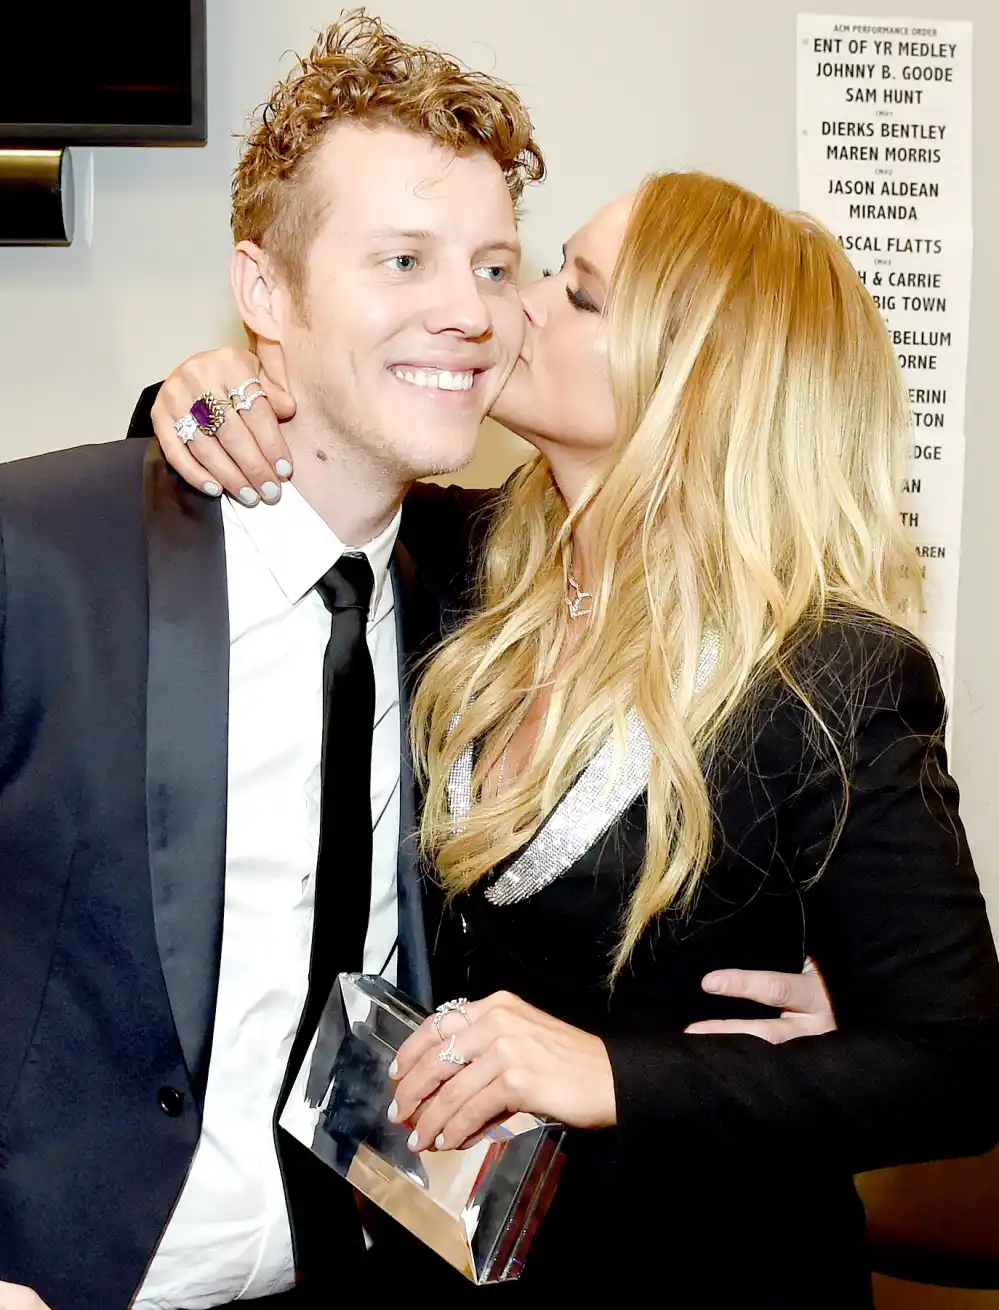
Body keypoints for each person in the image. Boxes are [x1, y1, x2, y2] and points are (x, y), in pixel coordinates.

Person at [152, 171, 999, 1307]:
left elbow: (959, 1066)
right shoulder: (466, 561)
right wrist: (200, 392)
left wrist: (612, 1070)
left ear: (693, 375)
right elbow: (263, 480)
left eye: (580, 292)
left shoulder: (831, 677)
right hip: (438, 1252)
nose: (521, 304)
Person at [0, 13, 540, 1309]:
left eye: (493, 265)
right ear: (262, 291)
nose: (464, 312)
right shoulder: (39, 554)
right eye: (401, 259)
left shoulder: (489, 589)